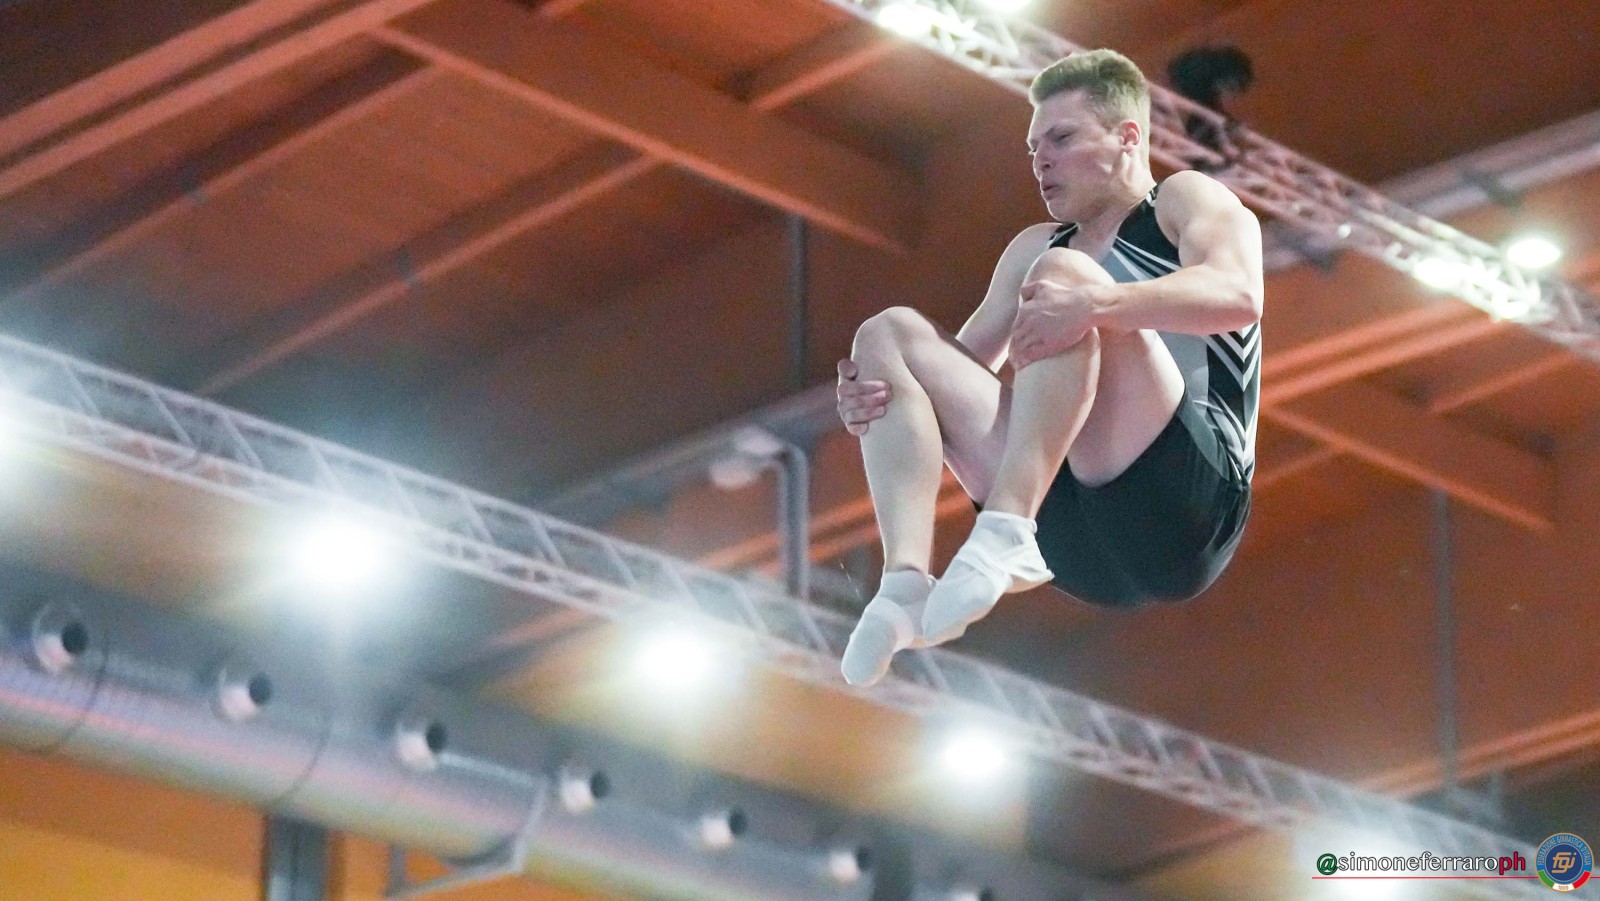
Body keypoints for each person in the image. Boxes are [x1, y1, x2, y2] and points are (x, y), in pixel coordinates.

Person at [837, 49, 1263, 687]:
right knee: (888, 335)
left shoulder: (1182, 200)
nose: (1041, 160)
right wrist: (880, 395)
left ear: (1127, 138)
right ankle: (903, 585)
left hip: (1186, 513)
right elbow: (955, 374)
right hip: (1073, 545)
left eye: (1061, 139)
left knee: (1065, 279)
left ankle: (1004, 526)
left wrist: (1098, 304)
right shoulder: (1034, 248)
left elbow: (1238, 295)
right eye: (1034, 147)